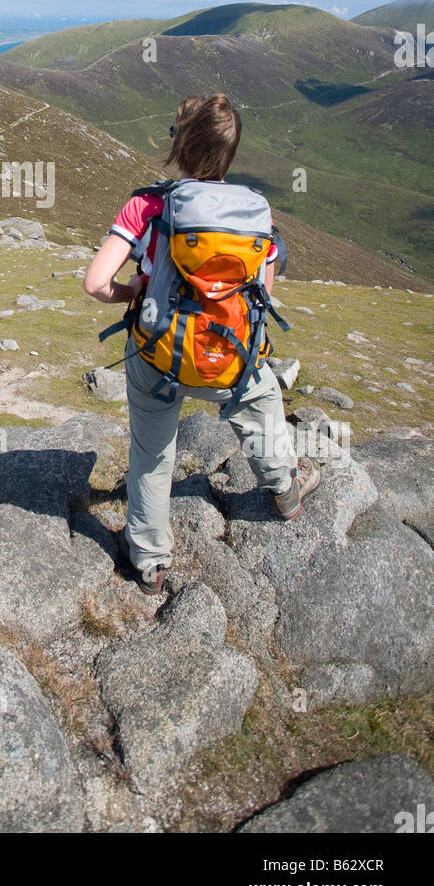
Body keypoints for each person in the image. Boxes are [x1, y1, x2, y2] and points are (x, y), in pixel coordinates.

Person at [83, 93, 320, 595]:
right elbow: (262, 296)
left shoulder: (147, 204)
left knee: (152, 452)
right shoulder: (257, 214)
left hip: (158, 355)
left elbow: (96, 283)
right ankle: (284, 489)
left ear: (179, 145)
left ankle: (148, 560)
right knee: (262, 400)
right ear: (229, 154)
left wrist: (134, 290)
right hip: (228, 357)